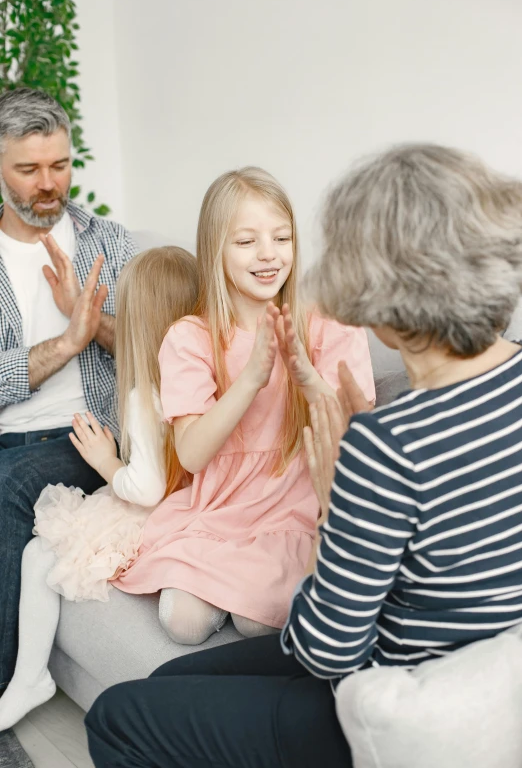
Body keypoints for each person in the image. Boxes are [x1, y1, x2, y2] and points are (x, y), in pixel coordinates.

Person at [86, 145, 522, 768]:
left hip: (387, 699)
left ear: (377, 295)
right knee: (166, 685)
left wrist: (330, 500)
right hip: (476, 681)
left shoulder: (386, 443)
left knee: (117, 716)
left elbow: (326, 648)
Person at [111, 166, 375, 644]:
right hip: (223, 507)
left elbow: (358, 437)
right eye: (247, 241)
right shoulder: (189, 337)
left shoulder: (330, 324)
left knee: (258, 619)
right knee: (181, 623)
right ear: (216, 249)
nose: (269, 254)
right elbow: (191, 455)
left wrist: (305, 376)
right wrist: (251, 377)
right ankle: (226, 592)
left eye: (281, 237)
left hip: (297, 505)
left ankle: (241, 601)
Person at [0, 246, 199, 731]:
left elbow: (144, 487)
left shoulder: (143, 392)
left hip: (151, 509)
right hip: (184, 500)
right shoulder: (197, 373)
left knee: (40, 554)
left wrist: (105, 461)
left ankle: (27, 680)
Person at [0, 87, 137, 698]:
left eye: (59, 165)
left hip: (90, 440)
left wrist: (94, 326)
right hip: (10, 436)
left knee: (8, 485)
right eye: (28, 170)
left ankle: (7, 682)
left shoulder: (110, 243)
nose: (48, 183)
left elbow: (157, 355)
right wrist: (67, 341)